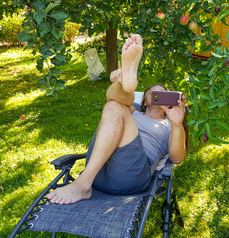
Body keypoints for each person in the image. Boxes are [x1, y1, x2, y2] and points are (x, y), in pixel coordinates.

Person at [46, 34, 187, 205]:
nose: (157, 95)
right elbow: (114, 99)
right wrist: (123, 89)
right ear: (143, 101)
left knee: (115, 106)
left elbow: (177, 158)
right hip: (98, 173)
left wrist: (177, 125)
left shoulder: (168, 125)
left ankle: (82, 184)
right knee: (115, 104)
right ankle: (125, 83)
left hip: (129, 176)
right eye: (152, 93)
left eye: (162, 93)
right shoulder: (135, 111)